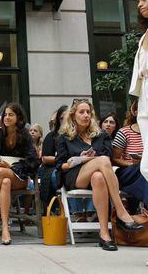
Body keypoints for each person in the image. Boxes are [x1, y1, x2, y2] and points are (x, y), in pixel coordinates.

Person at [56, 99, 143, 251]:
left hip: (97, 174)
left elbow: (109, 159)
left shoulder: (101, 135)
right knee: (101, 160)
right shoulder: (64, 136)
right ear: (73, 115)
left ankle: (104, 235)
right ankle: (121, 211)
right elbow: (60, 165)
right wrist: (80, 159)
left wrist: (92, 160)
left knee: (98, 177)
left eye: (88, 112)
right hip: (75, 176)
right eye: (81, 112)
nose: (86, 115)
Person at [0, 103, 40, 245]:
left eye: (11, 114)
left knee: (0, 172)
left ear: (18, 117)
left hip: (21, 177)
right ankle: (5, 228)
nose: (7, 117)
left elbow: (34, 162)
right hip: (4, 179)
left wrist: (9, 166)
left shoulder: (25, 135)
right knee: (5, 182)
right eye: (5, 114)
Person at [113, 100, 148, 210]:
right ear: (136, 112)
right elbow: (114, 159)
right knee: (141, 168)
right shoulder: (124, 132)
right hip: (128, 171)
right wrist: (130, 163)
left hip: (143, 173)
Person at [129, 0, 148, 183]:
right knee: (146, 166)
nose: (140, 4)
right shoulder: (143, 36)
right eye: (138, 1)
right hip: (145, 98)